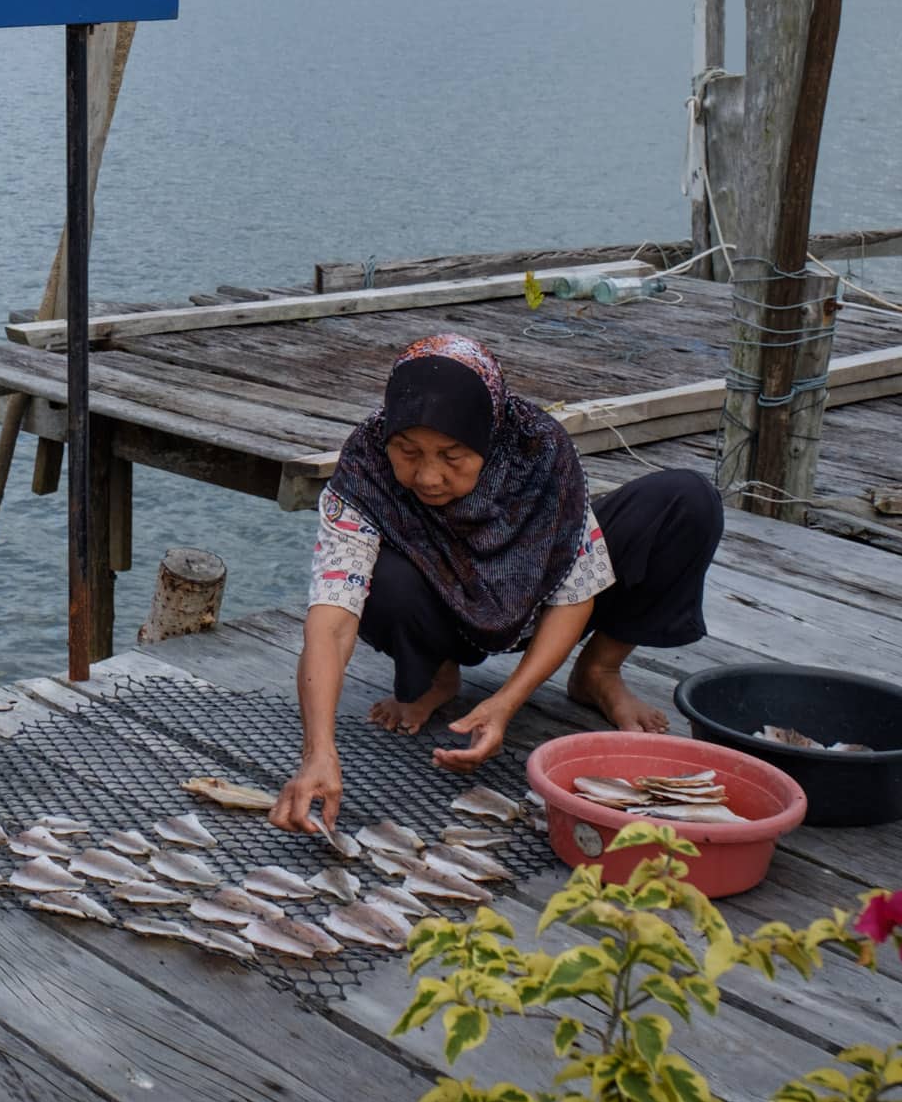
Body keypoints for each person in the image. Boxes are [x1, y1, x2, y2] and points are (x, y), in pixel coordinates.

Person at [271, 333, 724, 836]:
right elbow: (331, 620)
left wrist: (507, 702)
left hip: (540, 596)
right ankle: (436, 675)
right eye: (408, 451)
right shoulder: (364, 471)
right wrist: (317, 752)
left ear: (487, 438)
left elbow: (577, 593)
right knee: (379, 578)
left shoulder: (540, 449)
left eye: (452, 455)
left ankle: (598, 670)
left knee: (687, 499)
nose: (428, 476)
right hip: (440, 601)